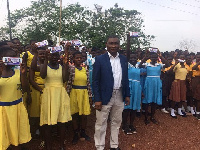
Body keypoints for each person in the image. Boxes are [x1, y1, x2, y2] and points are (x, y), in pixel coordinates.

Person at [93, 35, 130, 150]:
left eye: (116, 43)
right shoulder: (100, 59)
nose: (113, 46)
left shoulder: (123, 59)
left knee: (117, 121)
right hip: (104, 96)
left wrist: (127, 94)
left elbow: (125, 78)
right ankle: (100, 146)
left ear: (119, 45)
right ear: (106, 45)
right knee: (101, 123)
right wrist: (97, 99)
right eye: (111, 43)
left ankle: (114, 145)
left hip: (119, 94)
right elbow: (95, 81)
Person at [0, 46, 31, 150]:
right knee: (4, 138)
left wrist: (23, 74)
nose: (13, 59)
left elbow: (26, 88)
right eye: (10, 57)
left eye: (15, 57)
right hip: (3, 110)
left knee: (17, 138)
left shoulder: (18, 72)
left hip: (17, 108)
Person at [40, 49, 72, 150]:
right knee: (47, 123)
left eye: (56, 56)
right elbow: (43, 75)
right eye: (52, 56)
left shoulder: (61, 67)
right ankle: (48, 146)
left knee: (62, 121)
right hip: (48, 95)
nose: (54, 57)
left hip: (60, 94)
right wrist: (45, 59)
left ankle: (61, 145)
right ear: (49, 56)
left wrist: (65, 65)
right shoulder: (44, 66)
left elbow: (65, 79)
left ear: (59, 57)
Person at [67, 51, 92, 145]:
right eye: (77, 58)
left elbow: (88, 83)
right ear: (73, 59)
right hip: (74, 92)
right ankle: (75, 133)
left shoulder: (85, 69)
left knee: (84, 115)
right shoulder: (71, 69)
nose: (79, 59)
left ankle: (83, 132)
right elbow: (69, 82)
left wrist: (90, 96)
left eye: (80, 58)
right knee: (75, 115)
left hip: (84, 93)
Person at [139, 50, 169, 125]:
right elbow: (139, 65)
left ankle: (152, 117)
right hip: (149, 83)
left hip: (157, 83)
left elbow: (168, 65)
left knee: (154, 101)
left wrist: (161, 56)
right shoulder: (147, 64)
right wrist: (145, 57)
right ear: (150, 57)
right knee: (146, 101)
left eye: (155, 57)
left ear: (157, 57)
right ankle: (146, 117)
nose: (154, 58)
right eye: (152, 56)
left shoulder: (159, 65)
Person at [122, 52, 141, 135]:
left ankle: (131, 124)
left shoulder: (138, 66)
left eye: (134, 58)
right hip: (129, 87)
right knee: (127, 108)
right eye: (131, 58)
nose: (133, 59)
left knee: (134, 107)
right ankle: (124, 125)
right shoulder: (127, 65)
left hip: (137, 87)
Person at [192, 53, 200, 119]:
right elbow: (193, 68)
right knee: (196, 97)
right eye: (197, 57)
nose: (198, 58)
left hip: (198, 80)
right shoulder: (194, 64)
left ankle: (197, 112)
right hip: (195, 80)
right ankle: (196, 112)